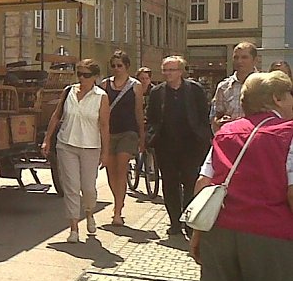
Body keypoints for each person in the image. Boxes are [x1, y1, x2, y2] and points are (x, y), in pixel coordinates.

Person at [190, 71, 293, 281]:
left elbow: (204, 184)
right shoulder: (287, 133)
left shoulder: (226, 132)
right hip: (270, 241)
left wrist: (198, 235)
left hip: (221, 236)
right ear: (277, 99)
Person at [41, 59, 110, 243]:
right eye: (79, 74)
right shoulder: (69, 91)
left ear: (95, 77)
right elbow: (57, 116)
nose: (82, 78)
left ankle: (89, 212)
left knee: (88, 188)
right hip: (67, 144)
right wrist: (47, 139)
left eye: (86, 75)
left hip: (90, 146)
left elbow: (104, 125)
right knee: (71, 187)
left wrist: (106, 152)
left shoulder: (101, 96)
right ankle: (73, 228)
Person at [146, 56, 213, 238]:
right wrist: (151, 138)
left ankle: (190, 222)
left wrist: (203, 137)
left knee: (191, 183)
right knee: (169, 184)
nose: (168, 74)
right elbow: (151, 117)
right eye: (165, 70)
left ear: (181, 71)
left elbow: (203, 115)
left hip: (191, 145)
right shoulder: (157, 92)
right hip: (166, 145)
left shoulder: (194, 90)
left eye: (172, 70)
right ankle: (175, 221)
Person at [101, 51, 145, 226]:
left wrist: (142, 135)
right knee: (111, 172)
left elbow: (138, 111)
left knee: (121, 166)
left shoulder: (135, 86)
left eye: (120, 65)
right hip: (109, 132)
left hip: (128, 131)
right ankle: (117, 200)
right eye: (113, 65)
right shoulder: (105, 85)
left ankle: (118, 210)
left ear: (127, 66)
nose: (116, 69)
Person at [210, 42, 258, 133]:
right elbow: (215, 117)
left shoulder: (265, 84)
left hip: (257, 138)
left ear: (255, 60)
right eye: (236, 57)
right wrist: (220, 121)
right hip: (232, 138)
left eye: (244, 57)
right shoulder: (223, 87)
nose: (239, 61)